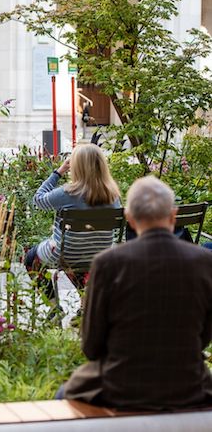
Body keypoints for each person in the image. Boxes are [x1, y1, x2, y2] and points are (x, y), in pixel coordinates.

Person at [60, 176, 212, 410]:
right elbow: (204, 336)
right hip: (188, 386)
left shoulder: (108, 263)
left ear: (129, 219)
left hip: (119, 387)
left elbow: (91, 345)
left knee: (63, 396)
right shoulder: (204, 261)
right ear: (173, 216)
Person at [25, 144, 121, 294]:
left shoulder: (68, 193)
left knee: (31, 258)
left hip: (66, 254)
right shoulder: (113, 195)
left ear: (76, 167)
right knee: (82, 255)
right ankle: (85, 304)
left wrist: (59, 172)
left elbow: (38, 200)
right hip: (101, 254)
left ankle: (53, 306)